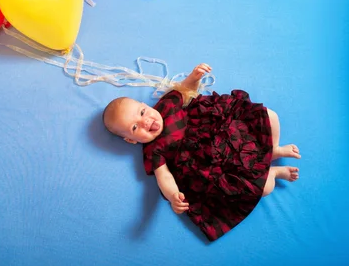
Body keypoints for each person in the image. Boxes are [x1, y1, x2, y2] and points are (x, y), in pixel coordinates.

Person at [102, 63, 301, 241]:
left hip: (224, 131)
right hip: (214, 165)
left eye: (142, 112)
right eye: (135, 128)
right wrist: (172, 196)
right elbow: (164, 177)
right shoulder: (154, 150)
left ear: (145, 106)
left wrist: (194, 77)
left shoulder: (166, 105)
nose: (145, 121)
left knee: (269, 116)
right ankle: (273, 172)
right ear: (131, 140)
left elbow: (185, 89)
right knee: (263, 189)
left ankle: (273, 149)